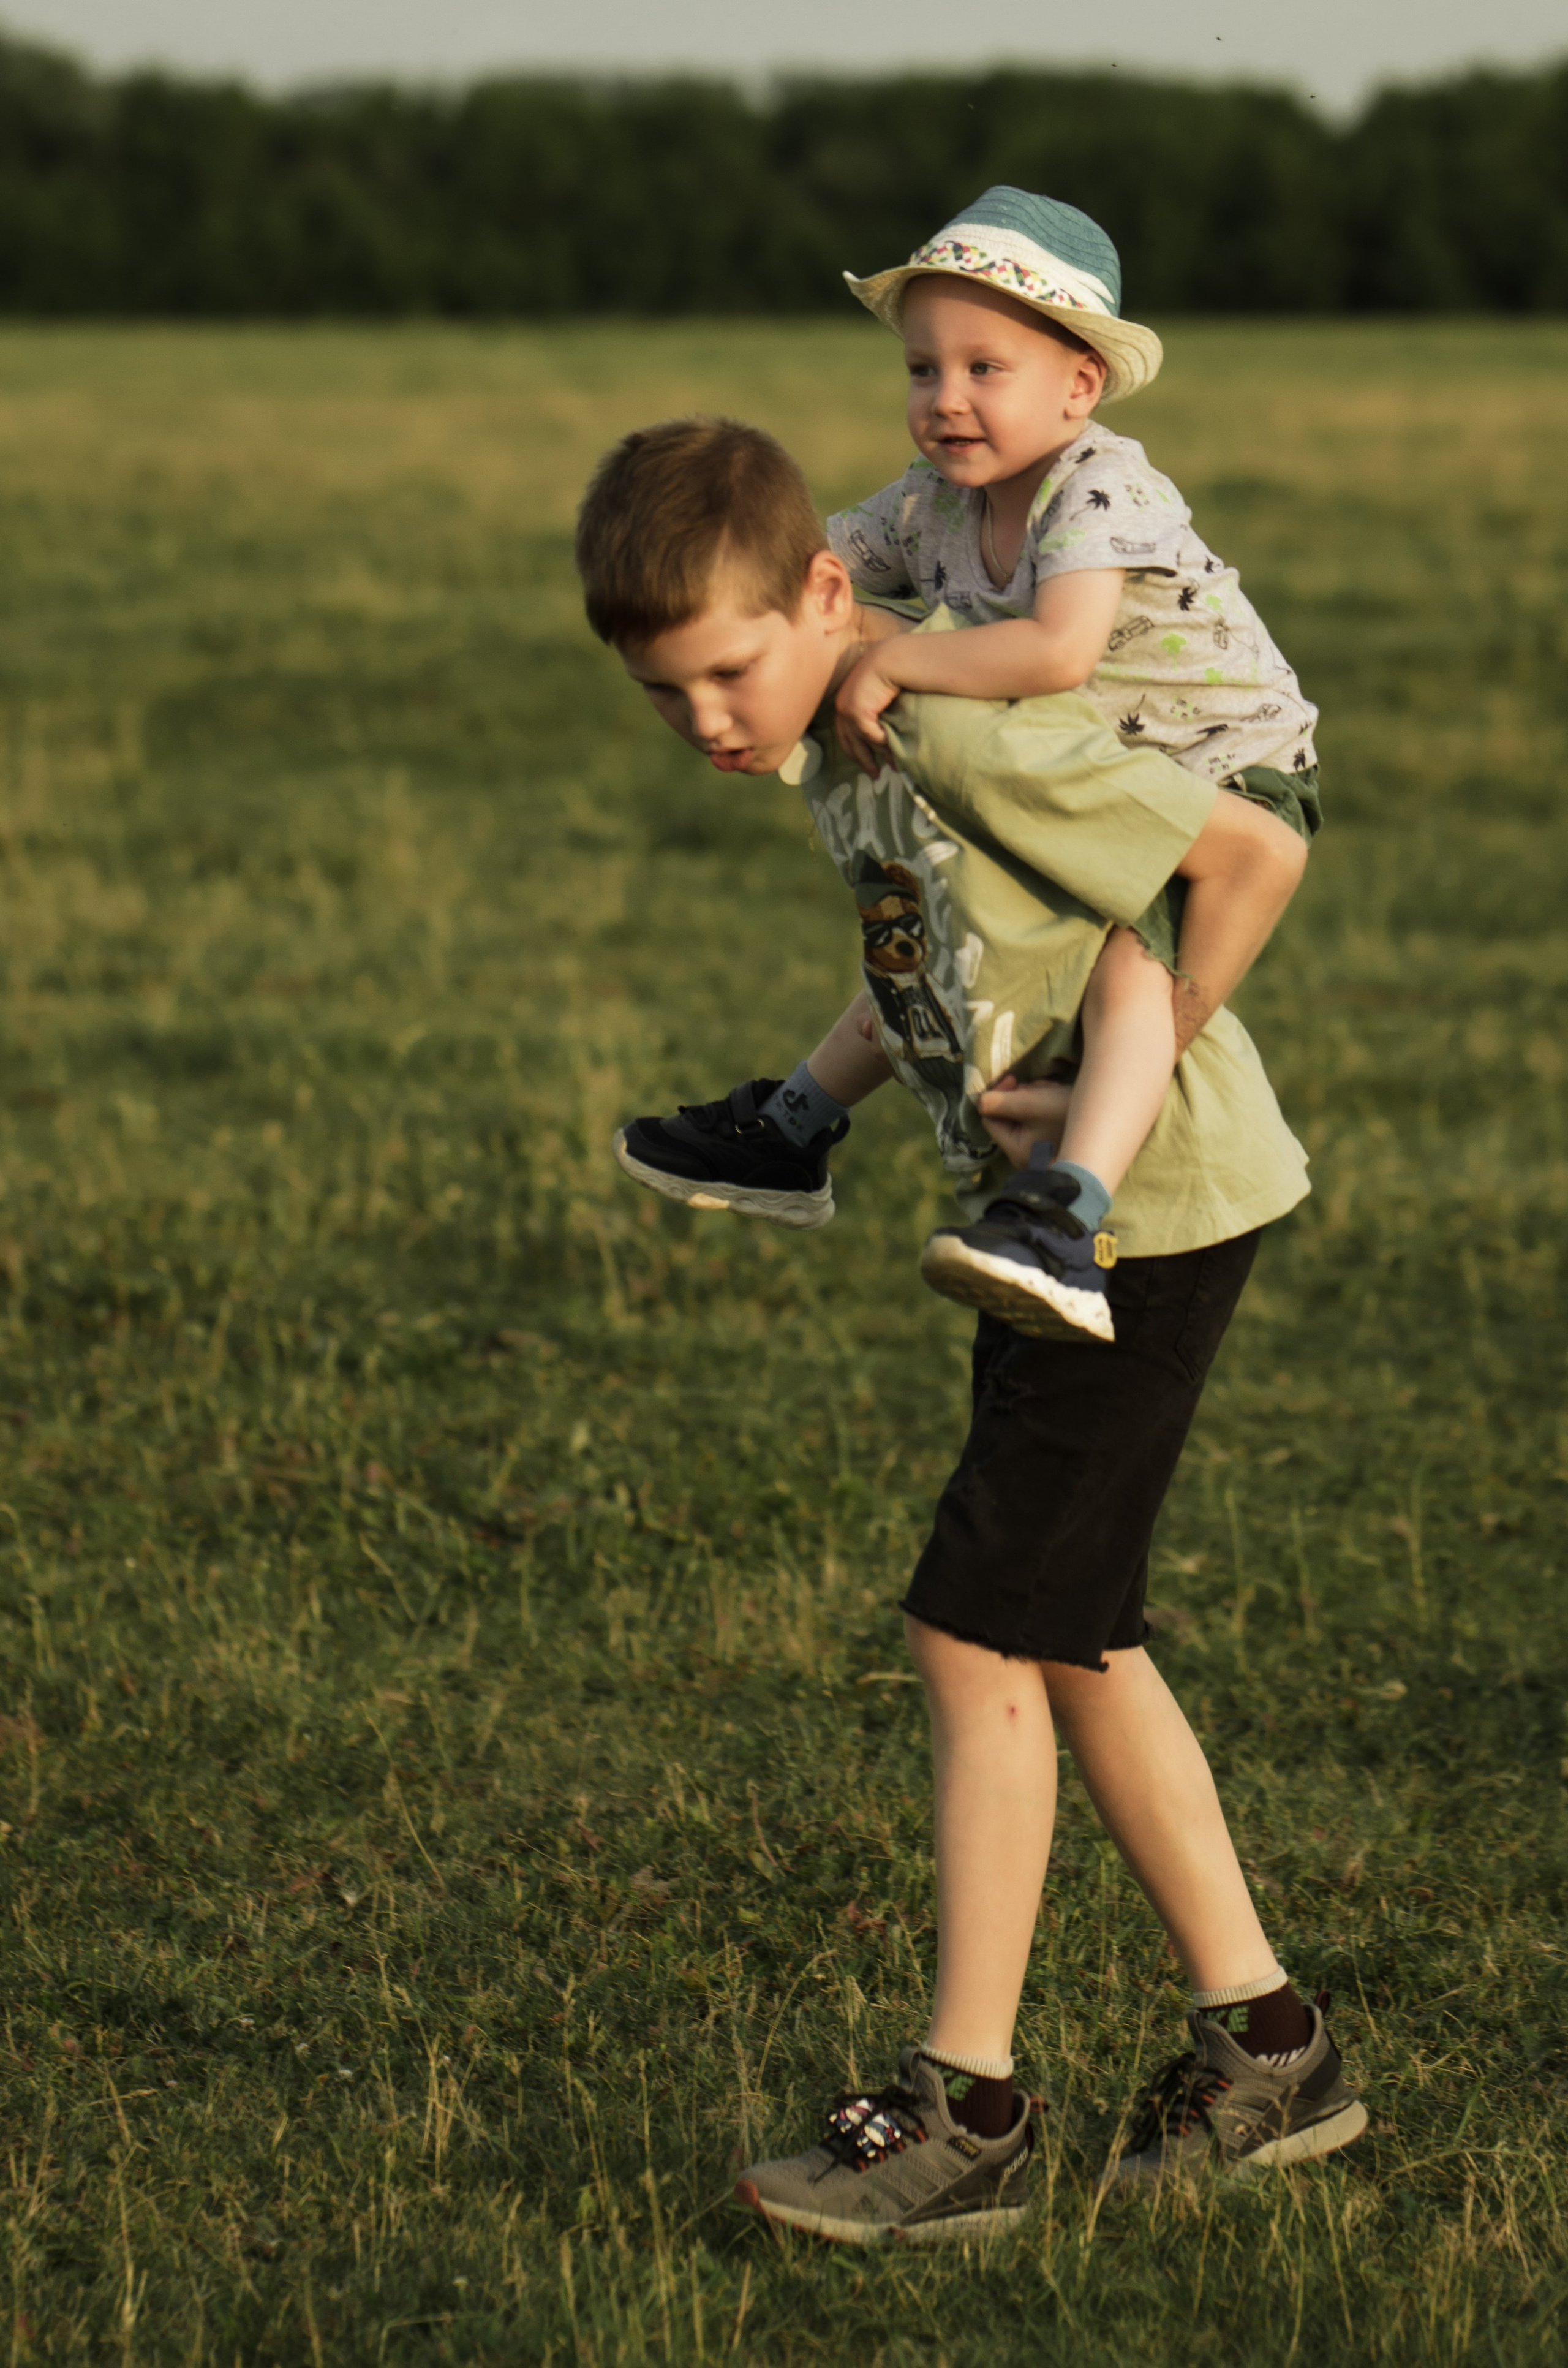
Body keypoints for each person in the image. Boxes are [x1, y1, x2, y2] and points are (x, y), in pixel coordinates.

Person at [574, 417, 1365, 2238]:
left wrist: (1106, 1073)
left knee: (968, 1631)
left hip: (1140, 1222)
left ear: (829, 600)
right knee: (1071, 1641)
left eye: (728, 669)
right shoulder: (850, 750)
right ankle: (1272, 2044)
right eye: (663, 692)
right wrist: (803, 1111)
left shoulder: (950, 720)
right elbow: (921, 960)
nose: (703, 718)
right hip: (1056, 1241)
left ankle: (970, 2113)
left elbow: (1243, 857)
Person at [617, 187, 1322, 1347]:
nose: (945, 399)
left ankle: (1070, 1215)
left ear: (1078, 386)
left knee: (1132, 973)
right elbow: (802, 569)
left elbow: (1056, 653)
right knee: (941, 934)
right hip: (1108, 757)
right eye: (921, 369)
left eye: (985, 368)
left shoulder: (1101, 490)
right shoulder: (936, 504)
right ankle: (792, 1127)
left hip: (1231, 766)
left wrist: (898, 662)